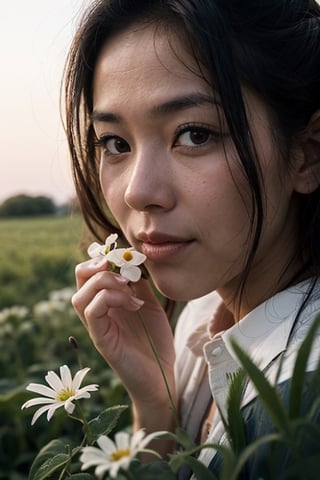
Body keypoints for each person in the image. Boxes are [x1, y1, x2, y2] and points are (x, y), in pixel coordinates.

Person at [65, 0, 320, 477]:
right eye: (115, 143)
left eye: (195, 134)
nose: (139, 191)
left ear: (307, 153)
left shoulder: (300, 407)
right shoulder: (200, 317)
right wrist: (156, 408)